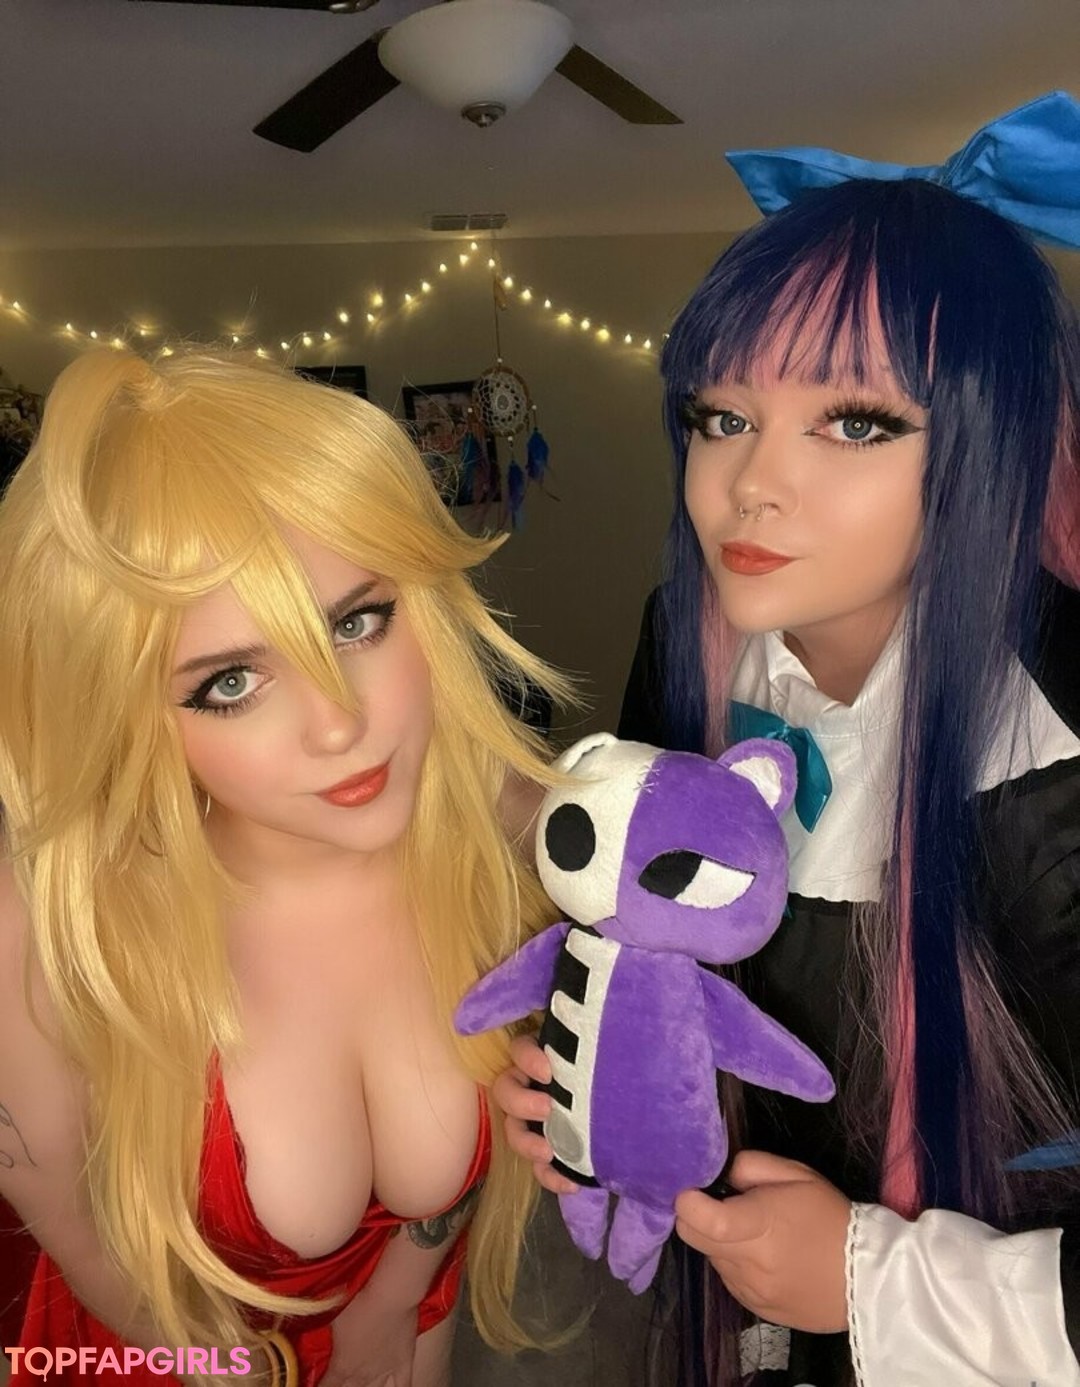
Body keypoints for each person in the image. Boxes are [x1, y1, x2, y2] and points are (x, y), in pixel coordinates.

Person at [495, 91, 1080, 1385]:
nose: (751, 483)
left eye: (855, 421)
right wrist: (599, 1080)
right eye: (722, 416)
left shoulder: (1059, 746)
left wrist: (880, 1277)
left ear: (991, 447)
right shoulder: (684, 636)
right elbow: (658, 938)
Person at [0, 346, 568, 1386]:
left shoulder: (480, 832)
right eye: (230, 682)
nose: (339, 723)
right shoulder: (51, 924)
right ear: (130, 717)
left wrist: (394, 1297)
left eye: (357, 621)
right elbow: (79, 1236)